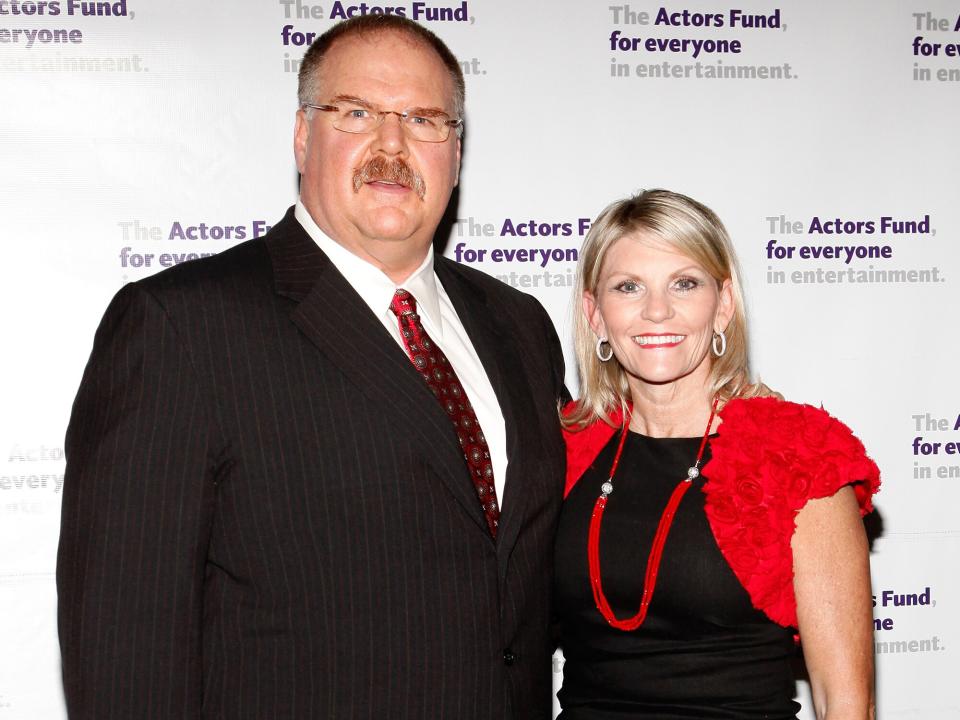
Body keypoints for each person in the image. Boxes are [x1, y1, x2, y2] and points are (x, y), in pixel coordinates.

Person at [57, 15, 566, 719]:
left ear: (455, 150)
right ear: (302, 136)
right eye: (356, 113)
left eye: (423, 120)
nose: (391, 146)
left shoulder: (518, 325)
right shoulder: (180, 327)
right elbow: (126, 649)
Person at [554, 189, 879, 719]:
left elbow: (844, 700)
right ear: (595, 313)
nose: (657, 310)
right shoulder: (564, 448)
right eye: (628, 286)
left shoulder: (795, 455)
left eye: (685, 283)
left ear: (723, 304)